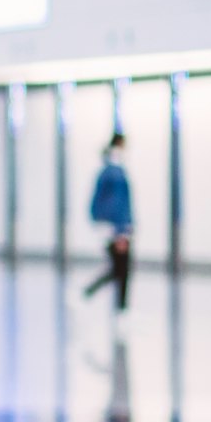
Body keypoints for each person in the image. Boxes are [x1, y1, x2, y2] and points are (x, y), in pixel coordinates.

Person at [83, 133, 135, 313]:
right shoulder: (114, 173)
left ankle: (117, 306)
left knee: (119, 269)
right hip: (115, 228)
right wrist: (121, 230)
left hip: (115, 227)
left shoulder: (111, 171)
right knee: (121, 268)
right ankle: (118, 307)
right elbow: (117, 204)